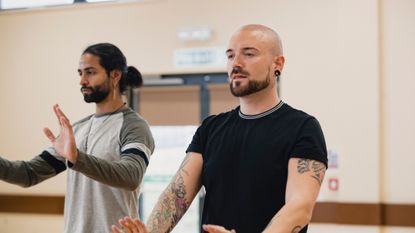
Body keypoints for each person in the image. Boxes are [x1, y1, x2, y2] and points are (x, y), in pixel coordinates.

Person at [112, 24, 327, 233]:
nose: (236, 63)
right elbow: (177, 195)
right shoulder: (211, 128)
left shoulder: (303, 128)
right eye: (231, 55)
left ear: (277, 63)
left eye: (249, 54)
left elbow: (299, 208)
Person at [0, 43, 155, 233]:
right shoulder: (78, 129)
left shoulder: (134, 126)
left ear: (115, 75)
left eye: (90, 72)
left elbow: (131, 176)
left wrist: (76, 158)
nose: (82, 81)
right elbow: (28, 174)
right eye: (80, 73)